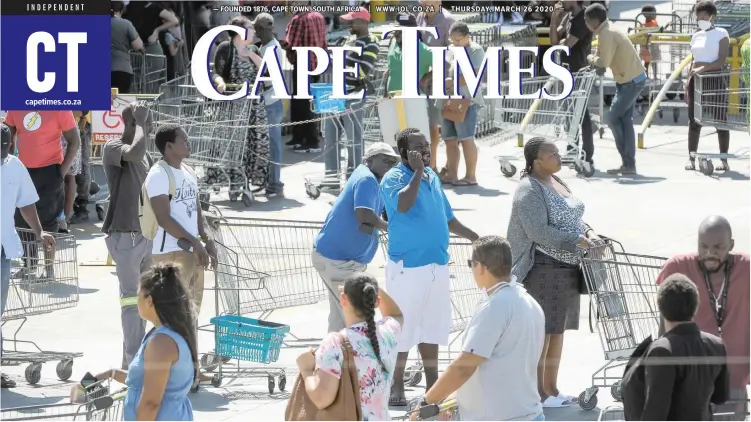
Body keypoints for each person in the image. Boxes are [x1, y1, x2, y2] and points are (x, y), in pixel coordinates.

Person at [381, 128, 478, 406]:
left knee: (431, 327)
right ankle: (396, 386)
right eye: (417, 147)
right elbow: (403, 204)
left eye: (426, 145)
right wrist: (415, 171)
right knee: (404, 328)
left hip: (436, 264)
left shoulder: (433, 176)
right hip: (407, 267)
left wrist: (475, 237)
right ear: (404, 153)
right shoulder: (394, 178)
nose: (425, 150)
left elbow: (448, 219)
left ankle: (433, 385)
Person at [507, 137, 600, 408]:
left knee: (557, 331)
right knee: (542, 332)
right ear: (537, 161)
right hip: (543, 266)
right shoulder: (528, 189)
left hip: (568, 265)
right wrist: (578, 241)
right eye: (553, 154)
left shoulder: (559, 182)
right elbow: (537, 231)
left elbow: (575, 218)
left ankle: (551, 388)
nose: (559, 157)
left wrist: (590, 233)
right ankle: (538, 393)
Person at [417, 236, 545, 421]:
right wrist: (454, 398)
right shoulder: (529, 302)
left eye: (471, 263)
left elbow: (465, 365)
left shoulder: (495, 305)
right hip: (528, 414)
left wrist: (427, 402)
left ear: (481, 267)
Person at [656, 216, 749, 421]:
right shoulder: (678, 267)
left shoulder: (746, 268)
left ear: (731, 245)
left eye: (718, 247)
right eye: (703, 246)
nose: (710, 254)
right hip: (690, 377)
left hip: (732, 376)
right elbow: (664, 324)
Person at [312, 143, 399, 333]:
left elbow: (381, 212)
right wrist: (394, 229)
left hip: (338, 258)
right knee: (357, 318)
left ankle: (331, 359)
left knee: (340, 318)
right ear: (369, 160)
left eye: (393, 161)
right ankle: (350, 360)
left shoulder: (376, 180)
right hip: (339, 260)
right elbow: (365, 215)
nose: (389, 164)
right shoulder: (366, 179)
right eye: (384, 160)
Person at [95, 264, 197, 420]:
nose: (136, 301)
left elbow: (150, 403)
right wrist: (112, 373)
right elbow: (146, 380)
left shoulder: (161, 343)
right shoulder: (162, 334)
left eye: (138, 295)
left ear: (149, 301)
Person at [295, 273, 403, 421]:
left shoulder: (335, 343)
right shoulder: (389, 332)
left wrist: (306, 369)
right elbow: (396, 315)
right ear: (376, 301)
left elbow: (322, 399)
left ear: (343, 299)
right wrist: (374, 288)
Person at [622, 274, 730, 421]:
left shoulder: (662, 350)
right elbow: (720, 397)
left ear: (660, 308)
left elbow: (655, 413)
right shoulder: (717, 344)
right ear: (695, 306)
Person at [0, 123, 56, 388]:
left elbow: (26, 204)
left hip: (3, 250)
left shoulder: (14, 166)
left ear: (9, 146)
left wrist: (39, 232)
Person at [145, 124, 216, 322]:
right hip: (169, 254)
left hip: (193, 251)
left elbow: (197, 210)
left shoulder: (188, 171)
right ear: (169, 146)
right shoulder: (158, 175)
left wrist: (206, 239)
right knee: (172, 316)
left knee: (192, 314)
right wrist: (195, 243)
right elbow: (164, 219)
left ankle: (188, 352)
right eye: (183, 141)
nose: (188, 143)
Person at [102, 102, 154, 369]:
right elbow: (134, 152)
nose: (150, 126)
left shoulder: (145, 154)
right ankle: (134, 363)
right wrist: (141, 122)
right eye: (146, 122)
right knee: (131, 302)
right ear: (133, 124)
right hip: (125, 237)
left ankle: (130, 360)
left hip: (146, 236)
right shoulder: (114, 148)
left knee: (145, 300)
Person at [4, 111, 80, 278]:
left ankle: (49, 269)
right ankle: (29, 265)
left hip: (50, 171)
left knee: (49, 221)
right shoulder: (17, 103)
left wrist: (61, 172)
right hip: (23, 171)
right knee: (21, 219)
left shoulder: (59, 106)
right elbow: (7, 133)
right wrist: (9, 163)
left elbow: (74, 141)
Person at [211, 15, 271, 195]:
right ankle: (233, 183)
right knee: (234, 146)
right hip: (233, 104)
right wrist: (220, 82)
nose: (254, 31)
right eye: (250, 28)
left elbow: (266, 69)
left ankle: (249, 181)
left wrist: (251, 54)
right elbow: (216, 72)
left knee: (256, 144)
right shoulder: (225, 48)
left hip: (254, 106)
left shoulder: (253, 49)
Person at [585, 3, 647, 175]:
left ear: (595, 21)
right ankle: (628, 164)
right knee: (625, 121)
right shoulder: (606, 30)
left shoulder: (607, 33)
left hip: (631, 81)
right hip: (629, 78)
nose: (586, 24)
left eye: (587, 21)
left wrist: (588, 57)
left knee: (612, 118)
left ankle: (628, 161)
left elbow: (602, 63)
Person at [321, 7, 380, 190]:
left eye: (352, 21)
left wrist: (340, 64)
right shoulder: (348, 40)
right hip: (336, 93)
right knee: (331, 137)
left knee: (354, 139)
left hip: (353, 95)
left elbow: (362, 71)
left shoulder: (371, 43)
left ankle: (354, 179)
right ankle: (331, 178)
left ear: (363, 22)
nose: (349, 24)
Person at [684, 1, 731, 172]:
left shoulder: (721, 33)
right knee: (693, 121)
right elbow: (693, 60)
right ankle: (691, 158)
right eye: (698, 15)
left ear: (711, 16)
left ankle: (724, 159)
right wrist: (686, 83)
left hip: (714, 80)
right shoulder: (697, 35)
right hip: (696, 81)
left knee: (720, 120)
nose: (699, 18)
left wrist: (705, 68)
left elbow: (721, 60)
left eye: (702, 15)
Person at [437, 21, 484, 187]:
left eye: (458, 40)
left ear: (466, 37)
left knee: (466, 138)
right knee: (449, 139)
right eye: (453, 40)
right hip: (449, 100)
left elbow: (474, 76)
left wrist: (452, 82)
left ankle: (471, 176)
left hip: (467, 101)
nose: (455, 43)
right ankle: (452, 175)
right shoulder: (452, 50)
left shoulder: (476, 50)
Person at [551, 0, 595, 167]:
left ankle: (587, 154)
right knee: (570, 112)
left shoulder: (583, 19)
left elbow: (567, 44)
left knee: (581, 114)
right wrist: (555, 19)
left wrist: (560, 42)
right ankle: (572, 149)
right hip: (567, 71)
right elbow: (554, 41)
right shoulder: (568, 17)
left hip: (579, 72)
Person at [416, 0, 456, 172]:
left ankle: (437, 167)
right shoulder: (420, 17)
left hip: (441, 81)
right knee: (425, 125)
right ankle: (430, 164)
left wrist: (432, 74)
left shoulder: (448, 21)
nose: (424, 4)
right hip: (421, 81)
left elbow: (453, 52)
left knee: (439, 126)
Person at [282, 3, 327, 153]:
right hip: (317, 64)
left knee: (302, 104)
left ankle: (310, 141)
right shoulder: (319, 16)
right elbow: (323, 42)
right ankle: (299, 137)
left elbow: (289, 43)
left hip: (303, 64)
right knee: (307, 102)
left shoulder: (298, 19)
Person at [254, 13, 285, 196]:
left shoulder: (270, 50)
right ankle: (271, 181)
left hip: (271, 101)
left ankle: (275, 183)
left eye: (258, 28)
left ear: (265, 29)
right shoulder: (267, 46)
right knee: (269, 144)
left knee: (273, 145)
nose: (256, 32)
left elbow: (267, 79)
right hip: (271, 100)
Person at [385, 13, 433, 96]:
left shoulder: (424, 50)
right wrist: (385, 95)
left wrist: (425, 80)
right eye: (397, 30)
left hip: (413, 101)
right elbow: (390, 71)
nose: (397, 34)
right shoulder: (393, 42)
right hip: (392, 99)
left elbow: (442, 67)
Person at [111, 1, 144, 93]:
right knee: (120, 102)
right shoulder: (126, 24)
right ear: (121, 10)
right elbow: (138, 45)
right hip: (122, 69)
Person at [638, 5, 660, 81]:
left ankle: (655, 76)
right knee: (646, 62)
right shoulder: (643, 26)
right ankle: (646, 76)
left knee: (654, 62)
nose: (656, 15)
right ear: (647, 15)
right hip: (646, 47)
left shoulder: (654, 22)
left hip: (654, 45)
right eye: (654, 13)